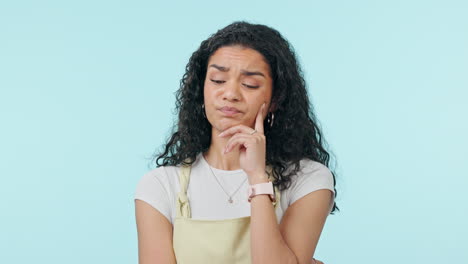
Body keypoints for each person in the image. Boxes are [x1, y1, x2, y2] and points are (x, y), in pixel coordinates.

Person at [134, 21, 338, 264]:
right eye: (218, 80)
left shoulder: (308, 178)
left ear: (275, 99)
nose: (230, 94)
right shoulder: (161, 186)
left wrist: (258, 179)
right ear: (201, 91)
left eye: (250, 84)